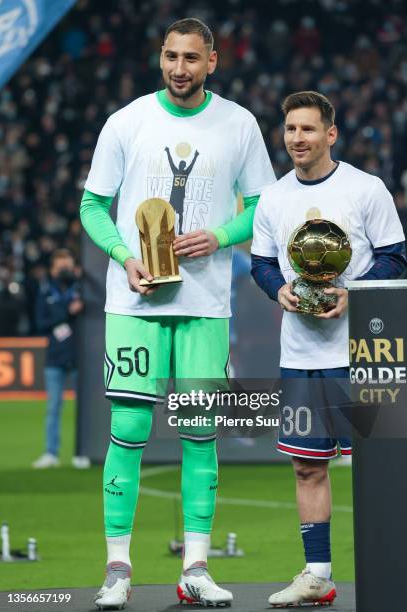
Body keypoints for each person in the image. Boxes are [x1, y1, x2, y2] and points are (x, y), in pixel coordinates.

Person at [80, 18, 275, 610]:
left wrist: (219, 237)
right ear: (160, 58)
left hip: (204, 307)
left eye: (192, 57)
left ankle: (195, 567)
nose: (179, 67)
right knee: (131, 429)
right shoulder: (128, 120)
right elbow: (93, 205)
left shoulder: (238, 123)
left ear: (212, 60)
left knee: (199, 435)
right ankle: (118, 567)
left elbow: (264, 206)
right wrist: (121, 255)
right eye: (170, 56)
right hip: (134, 300)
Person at [251, 90, 406, 608]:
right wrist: (280, 289)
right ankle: (317, 575)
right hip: (301, 355)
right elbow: (262, 264)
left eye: (308, 129)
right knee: (307, 467)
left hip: (366, 354)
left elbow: (395, 257)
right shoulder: (273, 198)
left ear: (330, 134)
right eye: (291, 129)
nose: (298, 138)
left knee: (384, 465)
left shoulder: (366, 189)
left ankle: (396, 568)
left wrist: (350, 293)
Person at [32, 249, 84, 468]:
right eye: (60, 267)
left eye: (68, 266)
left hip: (81, 356)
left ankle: (83, 453)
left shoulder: (84, 290)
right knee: (54, 407)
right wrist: (67, 312)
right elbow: (39, 324)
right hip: (55, 358)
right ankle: (51, 453)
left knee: (85, 409)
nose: (64, 271)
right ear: (53, 270)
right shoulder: (45, 293)